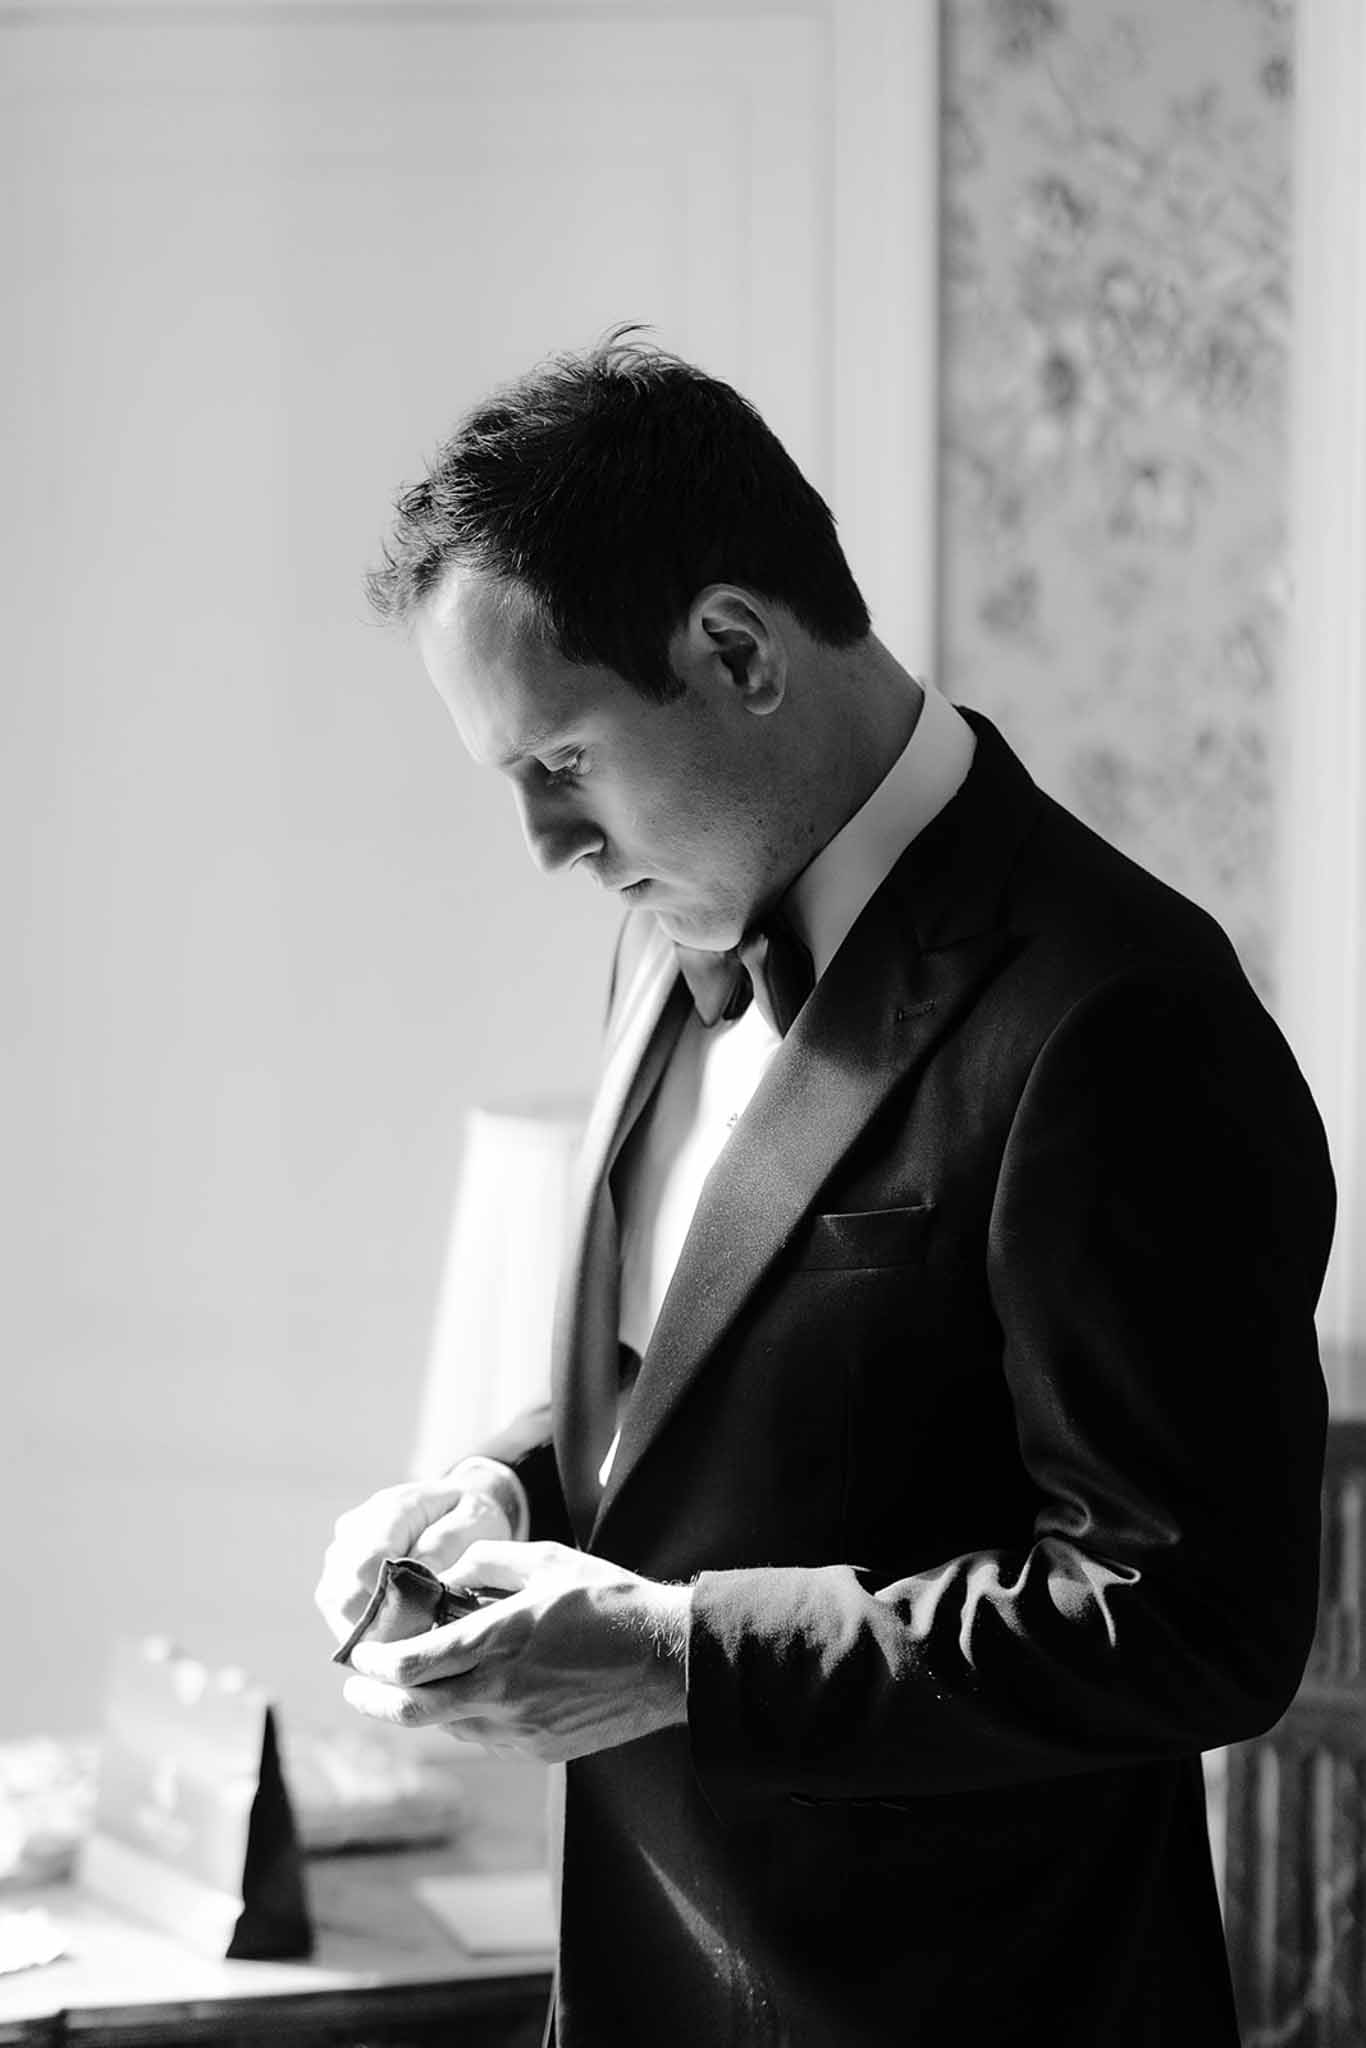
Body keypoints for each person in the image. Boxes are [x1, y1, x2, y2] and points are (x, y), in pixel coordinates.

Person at [315, 334, 1335, 2046]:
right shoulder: (673, 929)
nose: (544, 848)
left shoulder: (1119, 1012)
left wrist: (675, 1655)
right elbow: (709, 1368)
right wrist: (494, 1490)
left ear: (735, 649)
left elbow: (1191, 1620)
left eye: (558, 762)